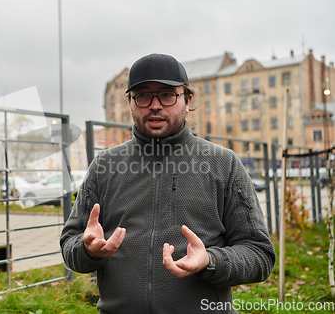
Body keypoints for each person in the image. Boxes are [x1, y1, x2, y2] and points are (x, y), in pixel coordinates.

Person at [60, 53, 276, 313]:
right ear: (130, 101)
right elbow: (70, 243)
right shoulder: (104, 167)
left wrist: (211, 260)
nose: (155, 105)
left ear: (187, 99)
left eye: (167, 95)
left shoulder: (223, 164)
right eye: (143, 95)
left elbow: (259, 255)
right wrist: (88, 251)